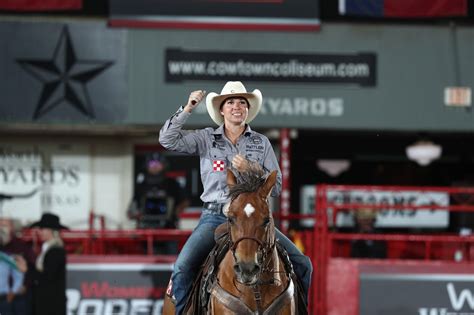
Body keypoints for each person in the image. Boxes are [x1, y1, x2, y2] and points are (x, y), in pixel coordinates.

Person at [159, 81, 313, 314]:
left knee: (303, 265)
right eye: (230, 102)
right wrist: (188, 108)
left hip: (255, 219)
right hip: (215, 216)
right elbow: (167, 140)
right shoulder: (205, 139)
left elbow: (278, 185)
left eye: (242, 102)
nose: (236, 107)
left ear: (248, 109)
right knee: (182, 268)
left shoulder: (261, 143)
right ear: (221, 110)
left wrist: (253, 167)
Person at [128, 152, 189, 254]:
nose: (155, 167)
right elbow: (132, 209)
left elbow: (185, 201)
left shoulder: (172, 183)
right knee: (149, 263)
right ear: (147, 166)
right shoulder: (141, 186)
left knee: (171, 262)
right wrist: (137, 214)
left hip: (169, 230)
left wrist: (175, 211)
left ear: (164, 165)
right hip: (147, 231)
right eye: (152, 164)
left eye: (158, 164)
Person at [15, 213, 68, 315]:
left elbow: (47, 277)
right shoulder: (48, 249)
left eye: (43, 229)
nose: (39, 231)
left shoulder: (56, 251)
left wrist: (27, 269)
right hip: (45, 303)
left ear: (51, 231)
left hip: (51, 305)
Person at [0, 219, 35, 315]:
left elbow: (31, 268)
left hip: (18, 296)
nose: (1, 229)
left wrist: (25, 284)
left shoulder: (22, 246)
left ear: (12, 228)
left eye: (4, 225)